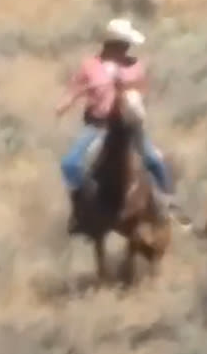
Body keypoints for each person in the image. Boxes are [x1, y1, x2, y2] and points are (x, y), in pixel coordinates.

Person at [56, 17, 180, 233]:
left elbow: (143, 89)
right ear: (112, 44)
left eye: (127, 45)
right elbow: (75, 89)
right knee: (71, 164)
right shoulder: (90, 66)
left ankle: (168, 205)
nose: (127, 49)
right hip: (97, 126)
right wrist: (64, 105)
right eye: (124, 44)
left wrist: (131, 94)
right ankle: (82, 208)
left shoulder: (135, 66)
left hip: (129, 127)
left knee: (154, 160)